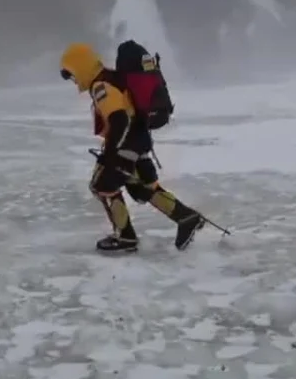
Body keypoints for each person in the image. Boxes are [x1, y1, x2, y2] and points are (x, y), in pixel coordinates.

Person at [60, 42, 206, 253]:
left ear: (80, 66)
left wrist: (111, 154)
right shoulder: (110, 78)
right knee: (142, 187)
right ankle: (187, 218)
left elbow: (119, 119)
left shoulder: (101, 86)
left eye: (73, 74)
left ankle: (125, 237)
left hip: (127, 144)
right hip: (137, 140)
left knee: (102, 186)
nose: (74, 81)